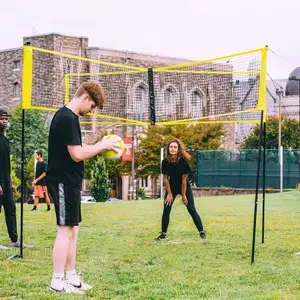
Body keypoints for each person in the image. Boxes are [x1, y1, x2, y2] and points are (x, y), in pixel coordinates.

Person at [47, 82, 121, 294]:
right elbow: (77, 154)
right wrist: (102, 146)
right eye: (93, 106)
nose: (91, 111)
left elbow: (78, 150)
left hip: (70, 181)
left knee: (73, 230)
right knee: (65, 230)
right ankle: (57, 280)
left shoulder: (70, 118)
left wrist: (100, 144)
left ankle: (71, 277)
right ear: (86, 97)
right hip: (62, 180)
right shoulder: (66, 118)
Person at [156, 138, 207, 241]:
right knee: (166, 208)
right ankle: (163, 234)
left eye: (175, 147)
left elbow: (184, 181)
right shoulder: (165, 162)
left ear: (178, 149)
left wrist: (183, 196)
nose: (173, 149)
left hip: (184, 186)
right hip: (172, 187)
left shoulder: (183, 162)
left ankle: (202, 232)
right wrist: (169, 194)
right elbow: (165, 179)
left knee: (191, 209)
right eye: (171, 147)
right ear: (168, 149)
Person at [0, 108, 33, 250]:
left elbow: (6, 164)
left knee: (11, 208)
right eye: (2, 118)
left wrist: (11, 183)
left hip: (6, 181)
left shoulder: (5, 139)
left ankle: (14, 240)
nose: (5, 121)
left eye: (6, 118)